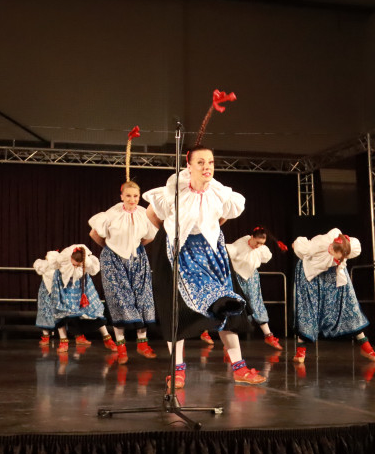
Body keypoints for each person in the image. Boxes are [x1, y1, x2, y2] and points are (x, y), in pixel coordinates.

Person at [142, 89, 266, 389]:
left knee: (226, 305)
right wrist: (165, 241)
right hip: (178, 253)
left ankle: (239, 366)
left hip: (211, 255)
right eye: (201, 162)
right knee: (179, 312)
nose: (207, 166)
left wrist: (211, 229)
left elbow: (222, 217)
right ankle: (178, 370)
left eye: (210, 162)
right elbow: (153, 216)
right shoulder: (174, 190)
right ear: (189, 164)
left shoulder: (220, 192)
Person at [88, 126, 158, 364]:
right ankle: (121, 347)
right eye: (128, 196)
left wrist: (138, 248)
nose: (132, 200)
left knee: (142, 298)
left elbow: (150, 236)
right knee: (119, 300)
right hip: (114, 259)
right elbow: (95, 233)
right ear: (121, 196)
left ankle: (142, 343)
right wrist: (108, 249)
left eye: (135, 196)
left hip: (137, 258)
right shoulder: (112, 213)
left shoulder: (142, 213)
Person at [291, 229, 375, 365]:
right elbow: (302, 246)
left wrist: (338, 260)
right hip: (310, 272)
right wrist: (296, 244)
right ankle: (300, 350)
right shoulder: (320, 244)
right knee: (308, 306)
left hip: (333, 274)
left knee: (348, 303)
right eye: (334, 251)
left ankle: (365, 346)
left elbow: (351, 251)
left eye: (338, 256)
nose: (331, 251)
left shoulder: (349, 247)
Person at [225, 226, 286, 350]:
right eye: (257, 242)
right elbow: (229, 254)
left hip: (252, 276)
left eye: (262, 243)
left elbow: (265, 257)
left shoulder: (261, 249)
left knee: (255, 303)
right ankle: (228, 344)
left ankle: (268, 335)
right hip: (236, 277)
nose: (259, 245)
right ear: (252, 237)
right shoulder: (240, 244)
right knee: (235, 305)